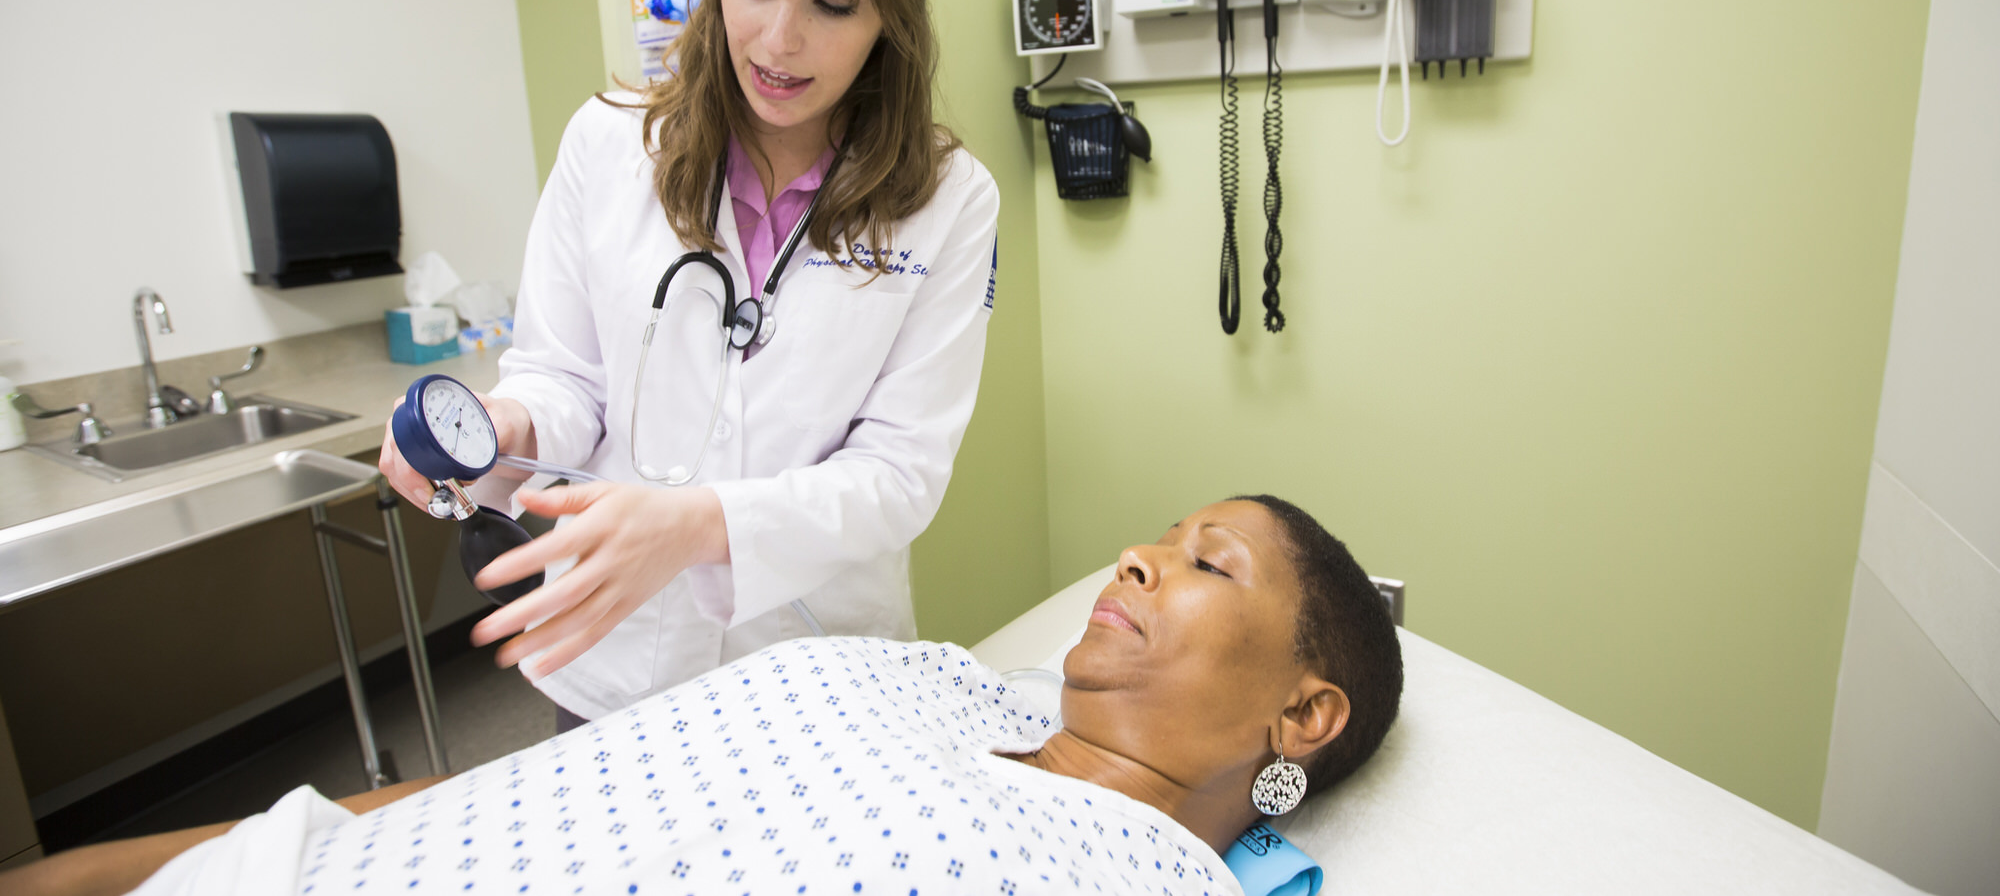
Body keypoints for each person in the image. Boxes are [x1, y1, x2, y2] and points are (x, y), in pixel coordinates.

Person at [376, 0, 1001, 727]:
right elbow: (564, 380)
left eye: (832, 4)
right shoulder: (608, 143)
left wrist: (701, 526)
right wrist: (505, 425)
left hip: (821, 674)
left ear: (892, 16)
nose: (778, 41)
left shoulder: (949, 199)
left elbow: (898, 473)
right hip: (610, 659)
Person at [9, 496, 1404, 896]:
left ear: (1305, 714)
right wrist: (111, 862)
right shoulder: (930, 681)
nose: (1139, 555)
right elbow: (532, 787)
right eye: (1159, 536)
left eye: (1205, 560)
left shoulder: (1131, 880)